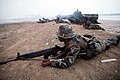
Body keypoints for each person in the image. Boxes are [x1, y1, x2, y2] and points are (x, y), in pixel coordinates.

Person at [41, 25, 120, 69]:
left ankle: (117, 38)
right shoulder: (69, 39)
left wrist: (51, 62)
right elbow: (66, 50)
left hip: (94, 47)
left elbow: (67, 63)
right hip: (87, 44)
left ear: (65, 37)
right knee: (107, 42)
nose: (58, 37)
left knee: (107, 43)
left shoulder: (74, 44)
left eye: (59, 36)